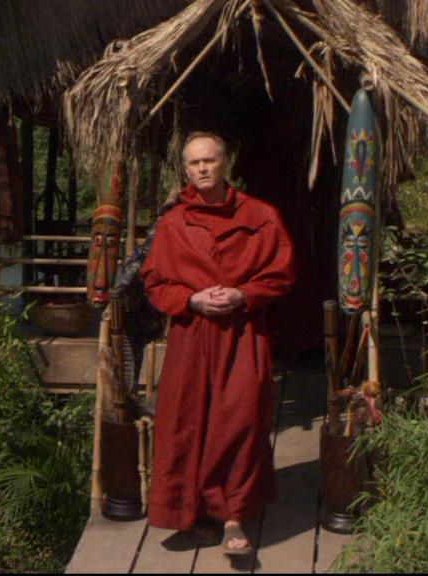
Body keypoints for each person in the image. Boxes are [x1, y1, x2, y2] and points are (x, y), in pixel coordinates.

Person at [141, 132, 296, 555]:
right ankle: (191, 513)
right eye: (194, 163)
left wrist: (243, 294)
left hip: (243, 334)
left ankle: (232, 516)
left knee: (240, 419)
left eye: (209, 160)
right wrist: (191, 299)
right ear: (186, 169)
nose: (202, 168)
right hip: (192, 335)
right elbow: (155, 281)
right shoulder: (174, 223)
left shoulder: (261, 216)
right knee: (186, 420)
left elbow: (281, 274)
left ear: (225, 162)